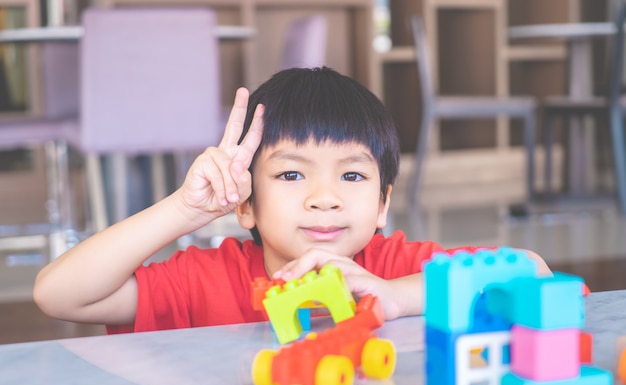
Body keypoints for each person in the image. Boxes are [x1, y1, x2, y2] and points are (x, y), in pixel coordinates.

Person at [33, 67, 550, 333]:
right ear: (246, 204)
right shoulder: (203, 281)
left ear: (383, 202)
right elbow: (59, 295)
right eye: (290, 174)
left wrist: (394, 296)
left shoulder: (394, 267)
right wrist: (184, 211)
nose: (324, 198)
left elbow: (532, 273)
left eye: (351, 174)